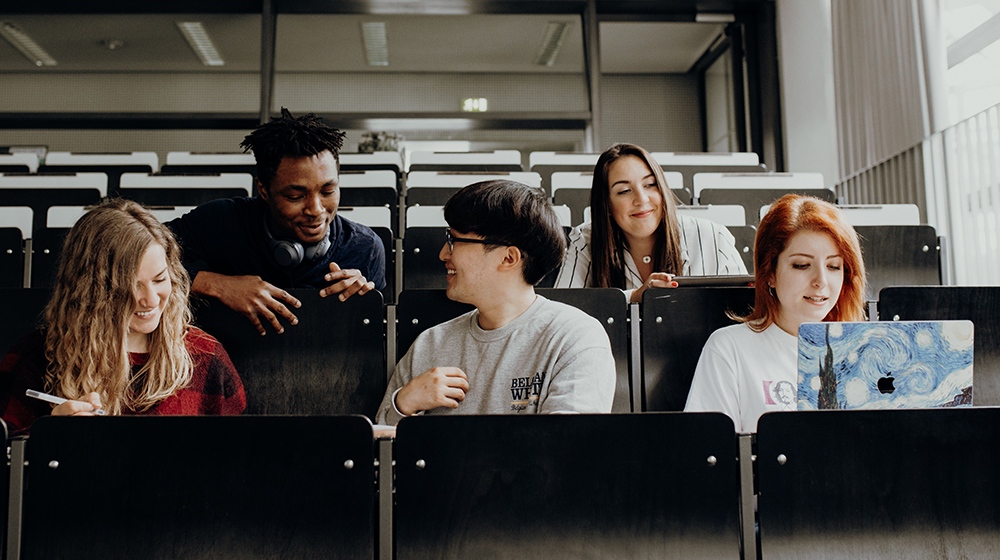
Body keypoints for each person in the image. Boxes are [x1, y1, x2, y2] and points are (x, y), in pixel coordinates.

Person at [376, 180, 616, 425]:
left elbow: (564, 450)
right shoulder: (431, 344)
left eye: (454, 240)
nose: (443, 254)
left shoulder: (575, 337)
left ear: (508, 257)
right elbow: (379, 450)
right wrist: (404, 405)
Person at [0, 200, 246, 434]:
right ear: (90, 290)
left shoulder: (206, 358)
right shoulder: (33, 358)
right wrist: (46, 437)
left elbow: (240, 462)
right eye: (130, 286)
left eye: (159, 279)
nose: (150, 300)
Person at [168, 108, 386, 336]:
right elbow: (135, 260)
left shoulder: (366, 249)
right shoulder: (219, 222)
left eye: (328, 191)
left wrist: (365, 302)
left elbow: (374, 344)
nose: (316, 210)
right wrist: (220, 286)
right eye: (296, 196)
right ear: (263, 191)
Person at [684, 194, 867, 432]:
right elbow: (706, 451)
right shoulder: (729, 348)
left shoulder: (865, 349)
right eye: (801, 265)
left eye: (833, 266)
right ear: (769, 273)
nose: (821, 281)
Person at [554, 143, 747, 302]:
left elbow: (746, 311)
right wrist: (635, 297)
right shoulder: (583, 242)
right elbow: (562, 312)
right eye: (624, 191)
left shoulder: (714, 238)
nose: (642, 199)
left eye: (650, 185)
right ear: (607, 206)